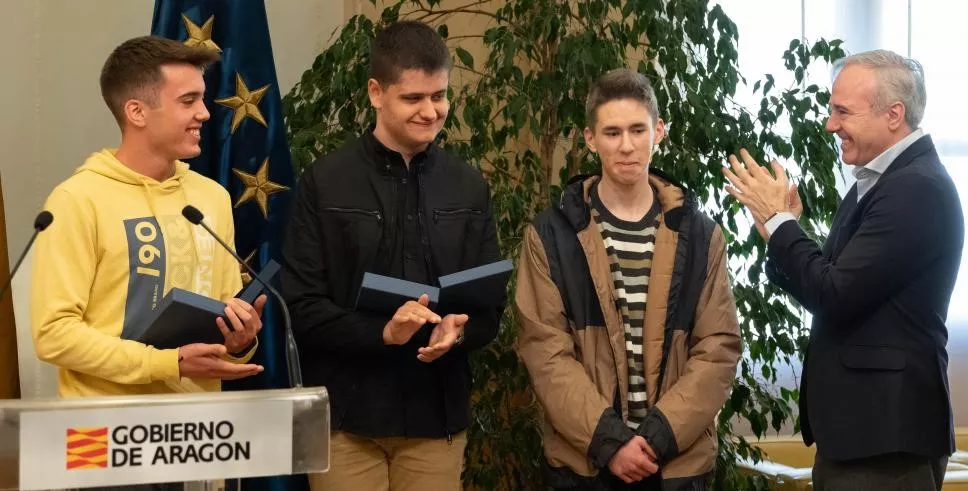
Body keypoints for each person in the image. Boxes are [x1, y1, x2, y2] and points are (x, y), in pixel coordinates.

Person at [723, 49, 963, 491]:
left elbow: (832, 294)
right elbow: (833, 283)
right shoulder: (879, 183)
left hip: (884, 437)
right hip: (864, 434)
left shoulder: (914, 189)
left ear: (894, 114)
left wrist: (781, 224)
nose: (831, 124)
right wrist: (782, 229)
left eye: (842, 111)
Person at [281, 20, 503, 491]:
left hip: (436, 417)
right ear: (375, 93)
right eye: (413, 98)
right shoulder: (325, 180)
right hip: (344, 419)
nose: (431, 111)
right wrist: (382, 331)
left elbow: (489, 308)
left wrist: (458, 331)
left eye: (439, 96)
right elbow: (299, 307)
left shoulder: (468, 184)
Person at [515, 68, 741, 490]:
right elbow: (545, 353)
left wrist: (655, 438)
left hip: (675, 464)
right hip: (586, 466)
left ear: (659, 131)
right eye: (612, 132)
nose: (626, 146)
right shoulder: (549, 235)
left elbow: (718, 350)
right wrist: (611, 442)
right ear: (589, 138)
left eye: (638, 130)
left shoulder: (702, 235)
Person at [30, 36, 265, 402]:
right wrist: (166, 363)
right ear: (137, 112)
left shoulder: (211, 198)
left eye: (202, 98)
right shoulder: (76, 199)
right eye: (188, 101)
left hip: (197, 428)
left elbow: (221, 311)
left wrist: (239, 339)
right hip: (100, 432)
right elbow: (54, 334)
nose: (204, 112)